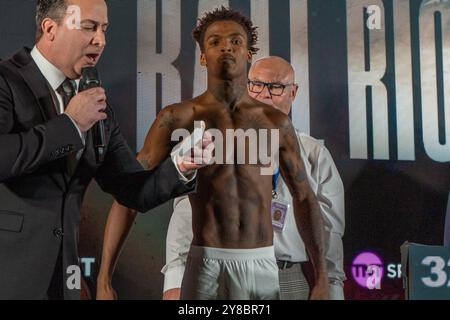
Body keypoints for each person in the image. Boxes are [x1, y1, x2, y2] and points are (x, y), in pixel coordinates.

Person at [97, 6, 329, 300]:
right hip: (204, 262)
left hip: (259, 262)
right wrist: (104, 279)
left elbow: (304, 196)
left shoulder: (275, 123)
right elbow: (130, 194)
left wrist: (321, 277)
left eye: (236, 41)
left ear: (248, 54)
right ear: (203, 57)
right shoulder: (177, 118)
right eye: (215, 42)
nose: (226, 48)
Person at [0, 0, 211, 300]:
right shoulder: (5, 81)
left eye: (104, 29)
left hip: (65, 280)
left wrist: (180, 166)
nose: (101, 40)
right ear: (50, 28)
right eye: (89, 27)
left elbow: (132, 190)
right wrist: (71, 125)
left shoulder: (94, 103)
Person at [162, 56, 346, 300]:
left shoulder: (314, 154)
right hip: (222, 271)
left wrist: (330, 286)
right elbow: (186, 218)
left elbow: (329, 230)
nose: (265, 95)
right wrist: (175, 279)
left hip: (288, 276)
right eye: (257, 85)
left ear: (294, 92)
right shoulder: (215, 143)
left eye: (276, 87)